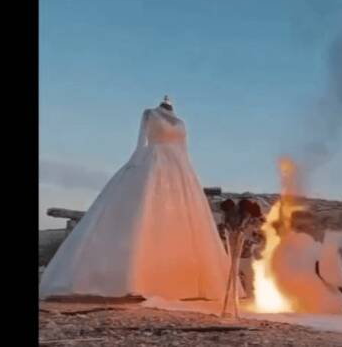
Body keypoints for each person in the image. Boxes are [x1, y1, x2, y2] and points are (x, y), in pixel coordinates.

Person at [39, 96, 236, 301]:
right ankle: (132, 280)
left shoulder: (181, 122)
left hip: (179, 168)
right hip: (153, 161)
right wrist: (135, 164)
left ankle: (182, 282)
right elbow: (141, 143)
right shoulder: (150, 114)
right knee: (141, 214)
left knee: (182, 221)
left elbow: (183, 148)